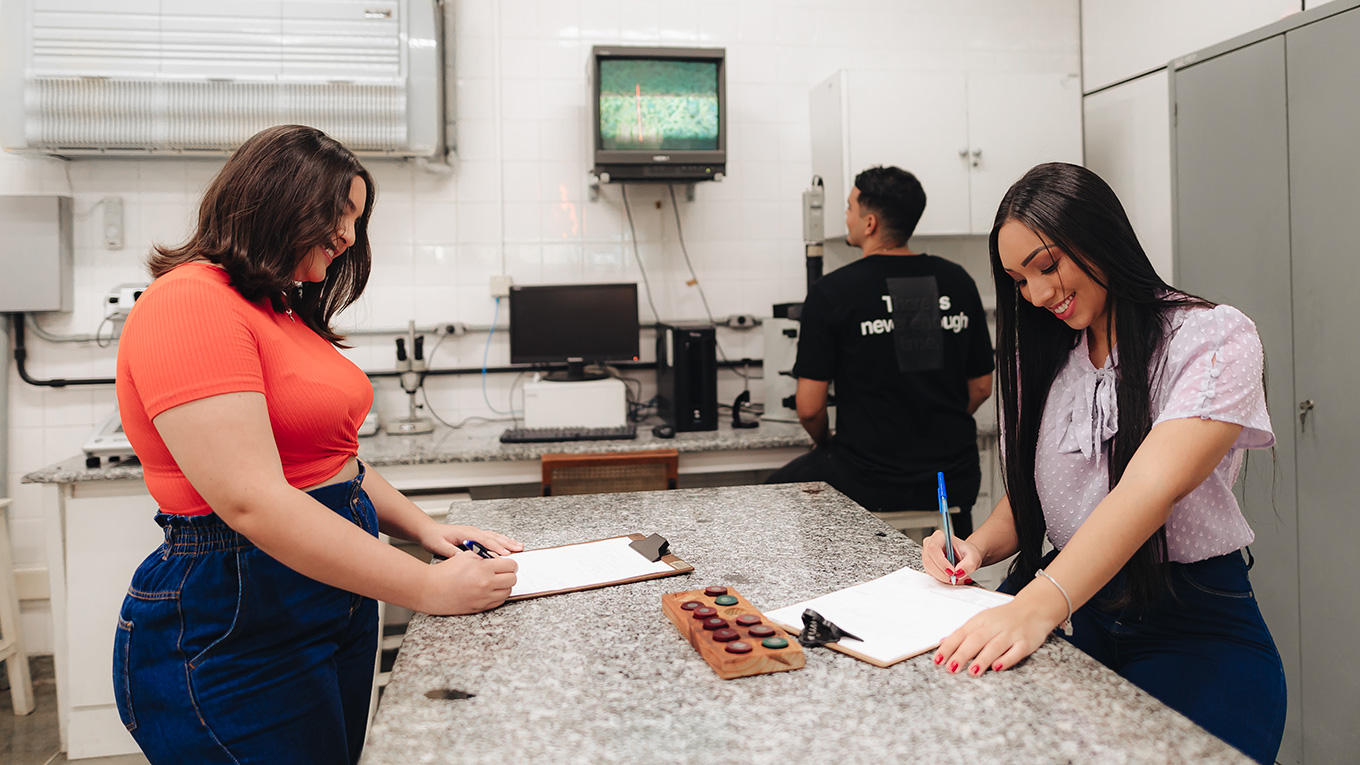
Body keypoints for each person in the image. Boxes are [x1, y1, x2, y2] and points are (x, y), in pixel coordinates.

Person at [112, 125, 521, 764]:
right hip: (236, 611)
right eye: (342, 214)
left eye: (359, 219)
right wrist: (428, 590)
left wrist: (424, 528)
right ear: (279, 201)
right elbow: (254, 504)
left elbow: (333, 463)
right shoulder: (190, 301)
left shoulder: (278, 309)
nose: (351, 237)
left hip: (330, 594)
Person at [922, 162, 1285, 764]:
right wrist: (978, 548)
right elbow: (1048, 489)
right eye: (1018, 280)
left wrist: (1035, 607)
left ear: (1100, 236)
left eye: (1047, 265)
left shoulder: (1210, 339)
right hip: (1069, 607)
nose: (1037, 296)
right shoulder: (1044, 356)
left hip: (1186, 619)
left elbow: (1149, 487)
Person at [767, 166, 994, 536]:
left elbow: (809, 407)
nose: (846, 216)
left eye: (849, 207)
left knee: (763, 497)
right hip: (950, 480)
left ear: (869, 222)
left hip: (864, 480)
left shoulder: (832, 292)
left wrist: (826, 445)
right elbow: (982, 387)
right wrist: (928, 427)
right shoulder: (957, 280)